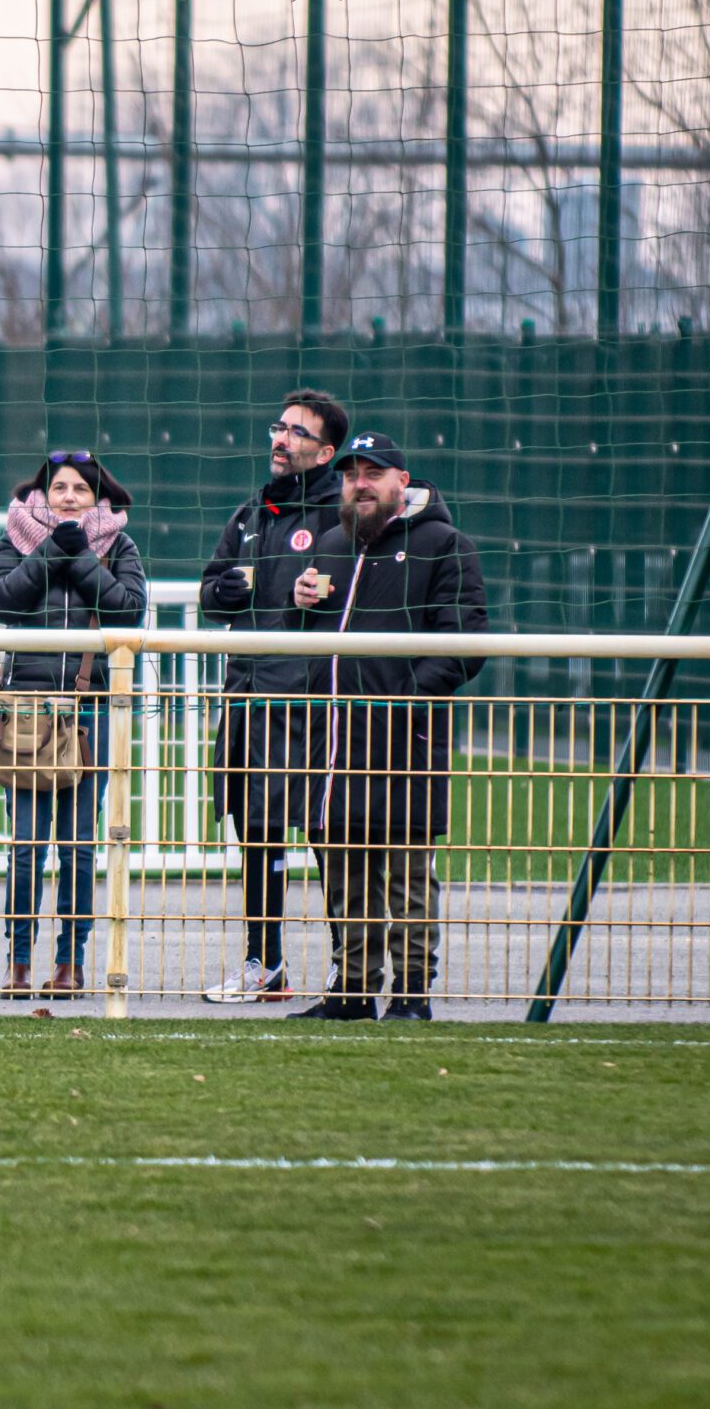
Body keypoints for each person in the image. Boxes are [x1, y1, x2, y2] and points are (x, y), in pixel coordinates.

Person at [290, 431, 488, 1023]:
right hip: (333, 743)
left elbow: (465, 643)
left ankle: (411, 994)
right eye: (352, 475)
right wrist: (297, 606)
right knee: (344, 876)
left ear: (402, 481)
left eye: (373, 474)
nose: (360, 484)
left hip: (406, 742)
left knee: (407, 876)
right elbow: (305, 641)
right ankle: (352, 991)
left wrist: (404, 704)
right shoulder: (330, 543)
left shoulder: (445, 544)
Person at [197, 388, 346, 1006]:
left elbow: (362, 596)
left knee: (329, 834)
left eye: (296, 432)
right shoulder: (250, 514)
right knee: (256, 831)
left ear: (326, 451)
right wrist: (223, 592)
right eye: (278, 428)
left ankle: (349, 965)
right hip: (248, 696)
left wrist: (321, 599)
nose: (281, 440)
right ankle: (266, 965)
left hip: (311, 702)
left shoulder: (342, 517)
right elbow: (210, 592)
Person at [0, 450, 148, 999]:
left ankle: (69, 962)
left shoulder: (119, 545)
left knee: (78, 846)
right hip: (27, 712)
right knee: (26, 845)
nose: (69, 497)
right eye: (60, 488)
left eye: (80, 488)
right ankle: (18, 961)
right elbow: (1, 602)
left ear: (98, 497)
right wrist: (53, 550)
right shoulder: (15, 540)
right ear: (43, 493)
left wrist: (80, 559)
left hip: (90, 710)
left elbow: (128, 610)